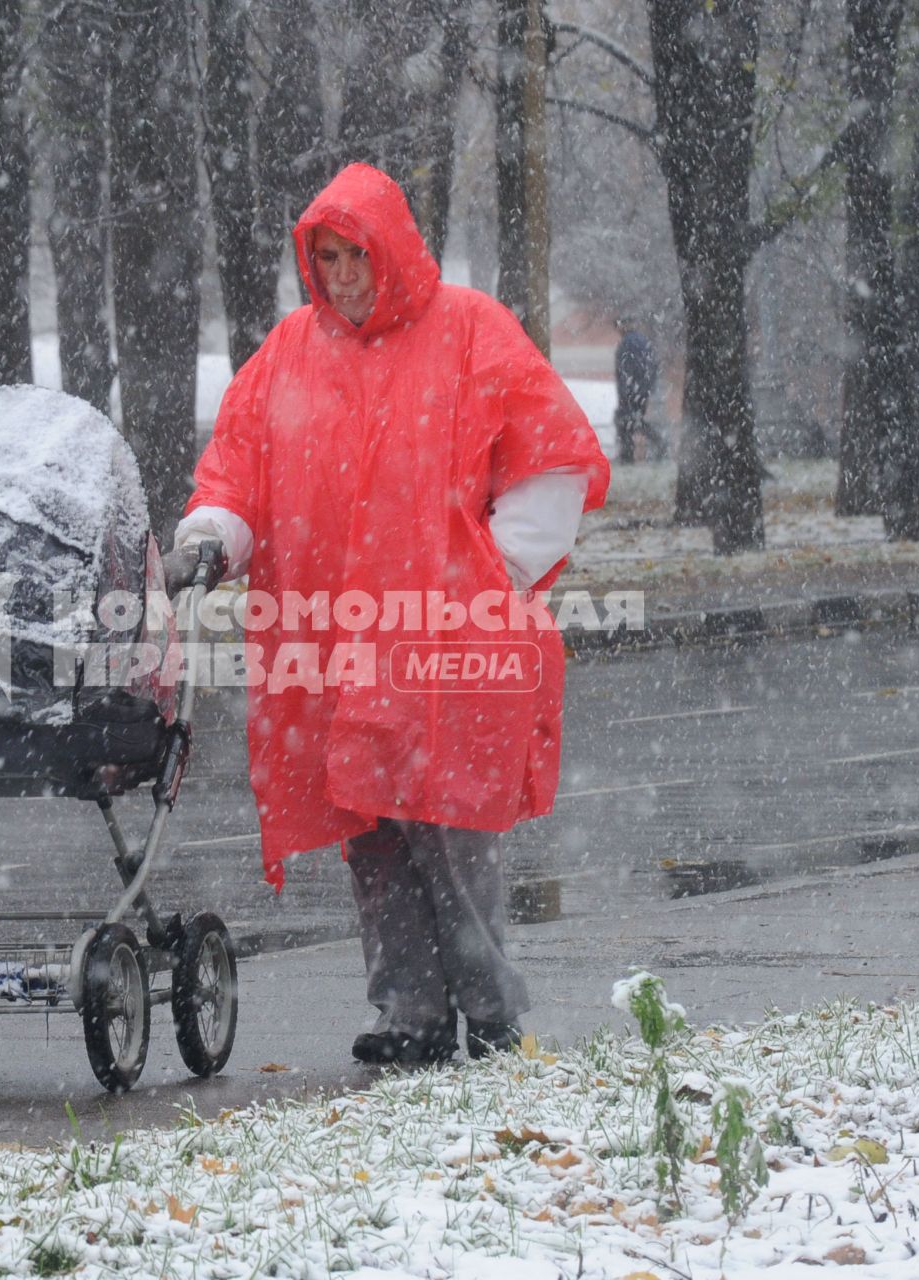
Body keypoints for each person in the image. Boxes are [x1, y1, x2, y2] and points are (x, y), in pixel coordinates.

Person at [172, 164, 609, 1064]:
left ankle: (488, 1011)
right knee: (371, 833)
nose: (338, 274)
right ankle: (407, 1013)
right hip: (333, 641)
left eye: (353, 254)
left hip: (443, 639)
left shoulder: (472, 331)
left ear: (392, 250)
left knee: (449, 827)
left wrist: (496, 575)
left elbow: (550, 454)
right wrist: (212, 536)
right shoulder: (291, 351)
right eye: (325, 256)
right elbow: (238, 467)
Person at [613, 319, 664, 463]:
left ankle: (628, 455)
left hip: (631, 392)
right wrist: (646, 388)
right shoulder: (642, 342)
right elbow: (651, 368)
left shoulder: (628, 343)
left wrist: (627, 392)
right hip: (640, 391)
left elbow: (626, 371)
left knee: (627, 421)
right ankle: (656, 444)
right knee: (633, 421)